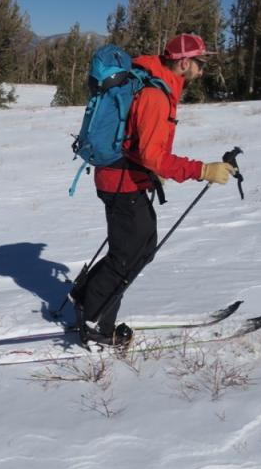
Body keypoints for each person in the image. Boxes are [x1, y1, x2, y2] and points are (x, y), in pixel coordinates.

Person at [69, 33, 236, 345]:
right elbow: (153, 155)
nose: (203, 67)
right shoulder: (155, 95)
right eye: (201, 61)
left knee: (141, 247)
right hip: (121, 182)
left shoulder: (158, 85)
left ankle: (86, 297)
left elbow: (143, 148)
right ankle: (95, 326)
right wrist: (202, 170)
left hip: (125, 178)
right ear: (185, 62)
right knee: (128, 255)